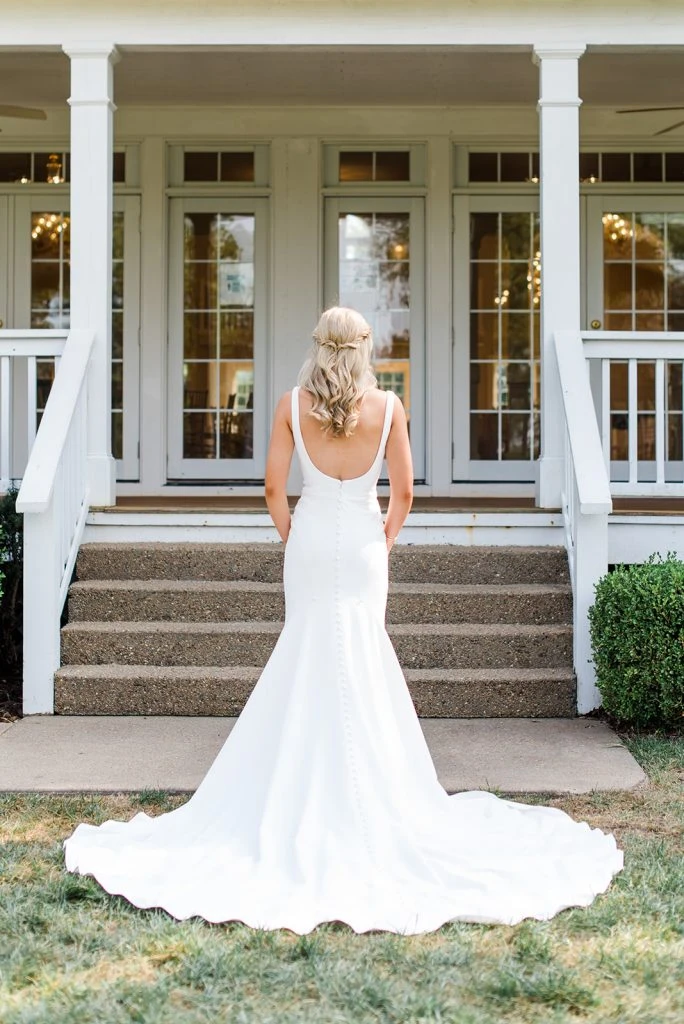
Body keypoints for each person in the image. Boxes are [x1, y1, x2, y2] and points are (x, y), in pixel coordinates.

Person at [63, 305, 624, 934]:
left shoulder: (289, 404)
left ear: (317, 345)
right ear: (364, 347)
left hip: (309, 540)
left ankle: (296, 792)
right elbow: (405, 493)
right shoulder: (387, 408)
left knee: (305, 651)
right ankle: (373, 797)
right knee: (360, 654)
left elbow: (274, 489)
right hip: (360, 541)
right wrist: (381, 541)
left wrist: (291, 536)